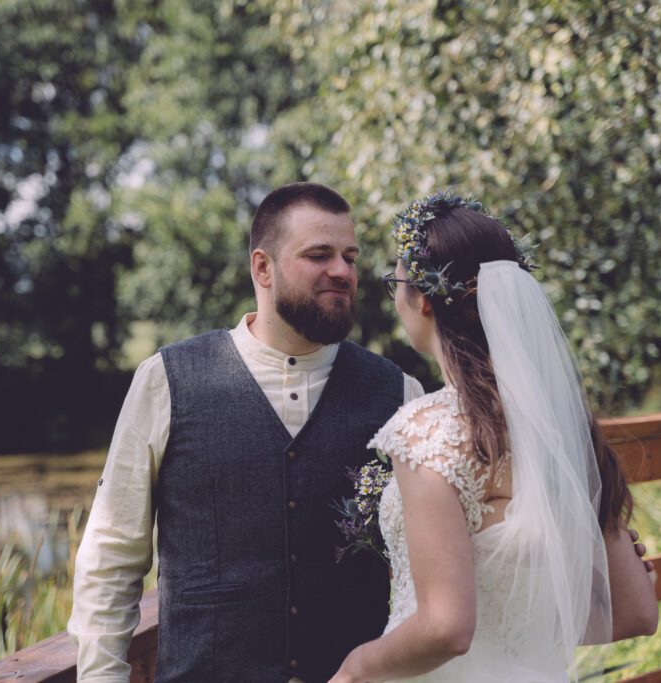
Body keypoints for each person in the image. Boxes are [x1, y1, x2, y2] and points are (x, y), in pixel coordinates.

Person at [68, 182, 426, 682]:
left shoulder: (400, 393)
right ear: (263, 267)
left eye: (351, 257)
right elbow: (111, 555)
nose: (343, 272)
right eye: (319, 254)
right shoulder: (166, 380)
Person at [328, 191, 659, 683]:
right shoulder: (557, 428)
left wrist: (356, 669)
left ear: (420, 298)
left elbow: (446, 628)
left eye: (395, 282)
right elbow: (636, 610)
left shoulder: (427, 431)